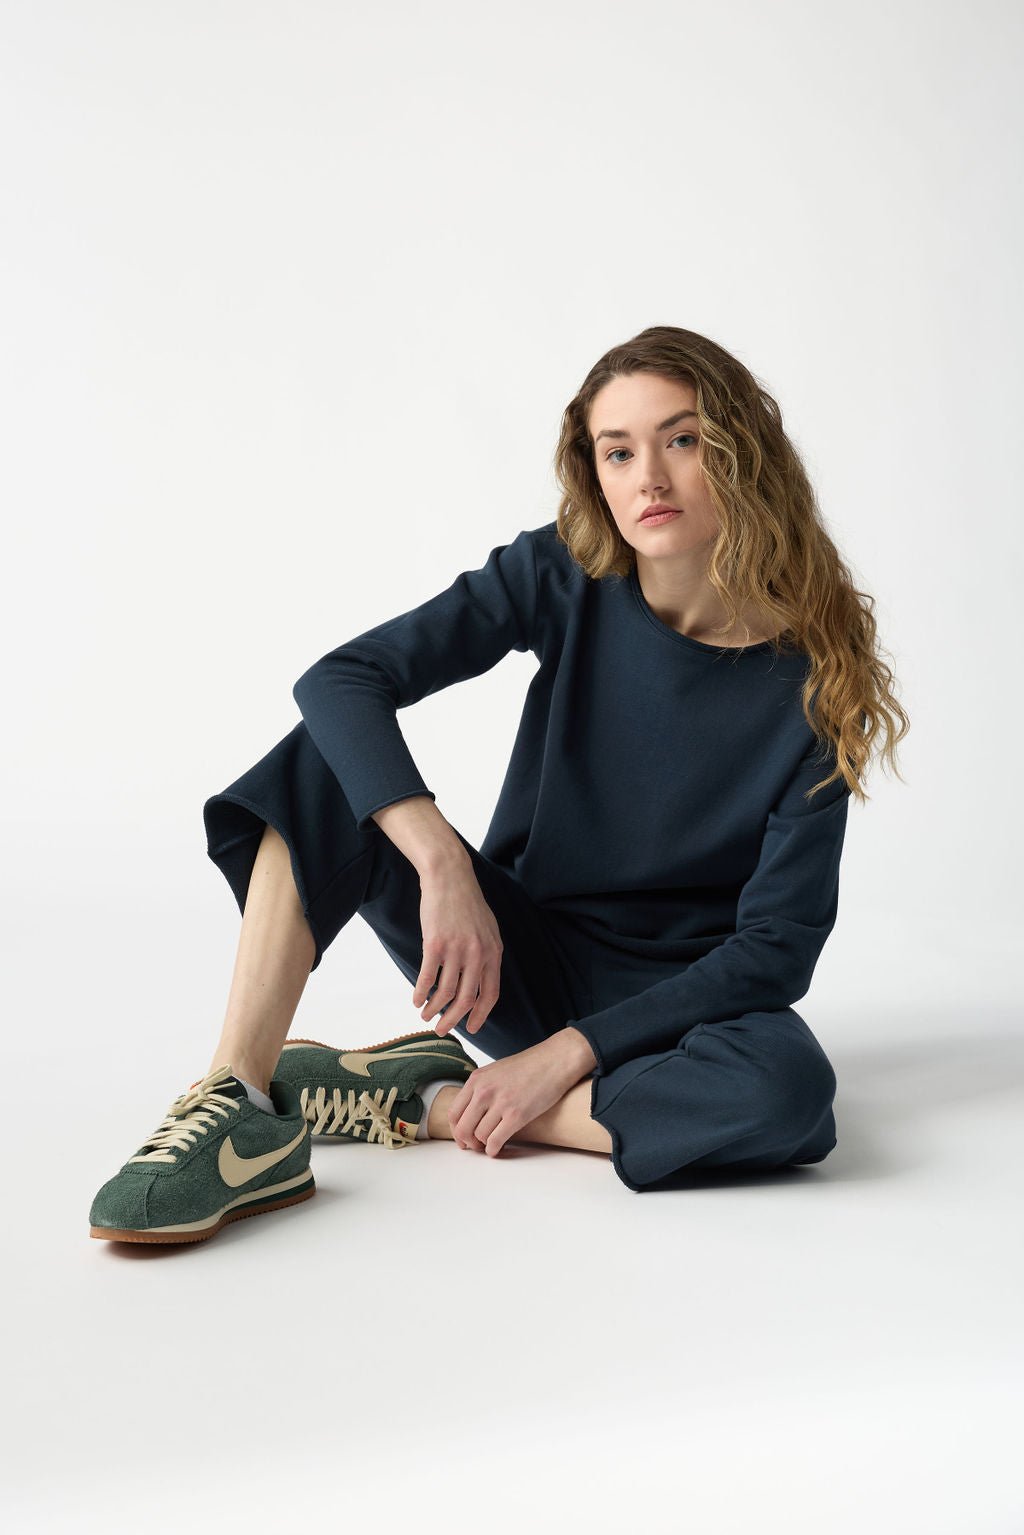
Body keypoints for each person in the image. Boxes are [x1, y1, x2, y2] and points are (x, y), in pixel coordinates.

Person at [89, 325, 909, 1244]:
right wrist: (442, 863)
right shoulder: (568, 570)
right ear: (592, 469)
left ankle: (436, 1102)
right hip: (514, 958)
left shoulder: (817, 679)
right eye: (618, 450)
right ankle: (237, 1103)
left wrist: (558, 1060)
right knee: (321, 757)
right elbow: (341, 680)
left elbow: (775, 952)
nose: (650, 478)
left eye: (681, 439)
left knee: (789, 1096)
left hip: (684, 1009)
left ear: (739, 451)